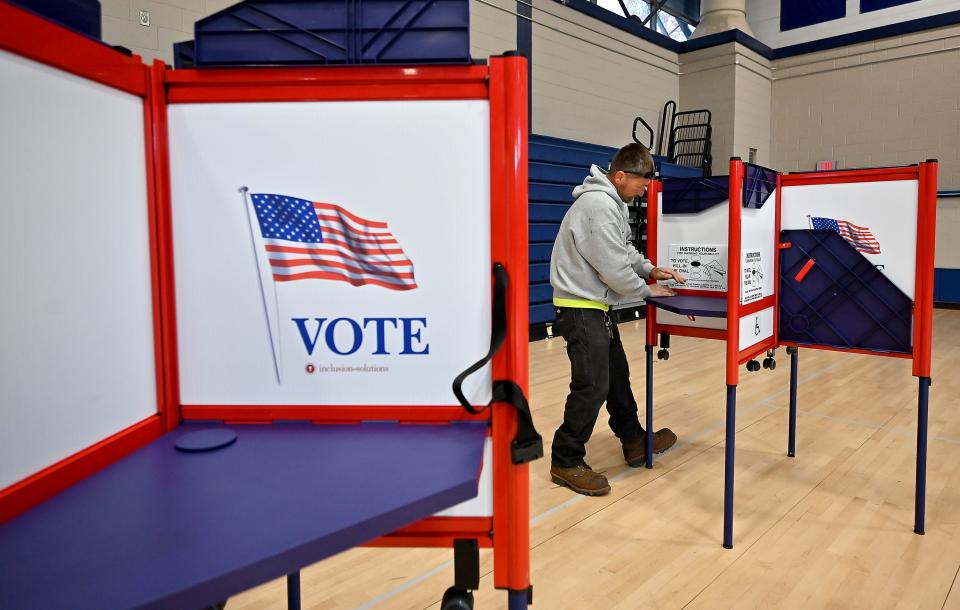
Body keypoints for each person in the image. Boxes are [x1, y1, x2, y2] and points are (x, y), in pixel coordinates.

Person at [549, 142, 685, 496]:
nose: (645, 189)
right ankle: (565, 459)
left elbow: (623, 250)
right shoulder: (597, 205)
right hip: (580, 307)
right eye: (641, 182)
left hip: (595, 306)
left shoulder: (612, 204)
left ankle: (634, 442)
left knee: (617, 379)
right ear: (620, 175)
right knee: (592, 384)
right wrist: (646, 290)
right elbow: (611, 267)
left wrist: (651, 270)